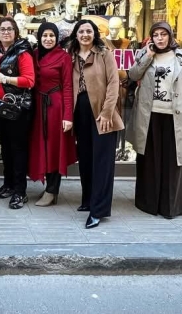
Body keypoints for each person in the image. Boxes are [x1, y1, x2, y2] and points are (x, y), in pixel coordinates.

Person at [128, 22, 182, 220]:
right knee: (149, 160)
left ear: (170, 36)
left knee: (174, 161)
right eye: (156, 35)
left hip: (176, 116)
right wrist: (148, 56)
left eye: (163, 34)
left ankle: (172, 205)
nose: (160, 38)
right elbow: (133, 75)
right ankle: (148, 203)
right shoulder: (144, 54)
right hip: (149, 116)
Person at [68, 20, 124, 229]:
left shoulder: (104, 54)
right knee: (86, 159)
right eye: (81, 31)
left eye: (88, 31)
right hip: (80, 113)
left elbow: (114, 83)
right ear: (76, 35)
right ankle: (88, 199)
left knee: (102, 162)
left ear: (94, 34)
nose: (85, 34)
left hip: (102, 113)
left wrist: (107, 112)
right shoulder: (71, 56)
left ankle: (98, 210)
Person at [0, 16, 35, 210]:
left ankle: (20, 191)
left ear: (15, 32)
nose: (6, 32)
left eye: (9, 29)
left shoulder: (22, 53)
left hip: (17, 111)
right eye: (2, 29)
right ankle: (8, 184)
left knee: (17, 150)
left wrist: (6, 79)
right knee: (5, 149)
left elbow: (29, 80)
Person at [27, 22, 75, 207]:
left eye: (51, 36)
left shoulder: (64, 57)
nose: (48, 39)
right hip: (38, 106)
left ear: (57, 38)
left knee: (54, 148)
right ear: (39, 37)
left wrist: (68, 116)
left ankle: (52, 190)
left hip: (56, 107)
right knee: (42, 147)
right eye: (45, 35)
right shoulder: (34, 54)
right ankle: (48, 187)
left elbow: (68, 87)